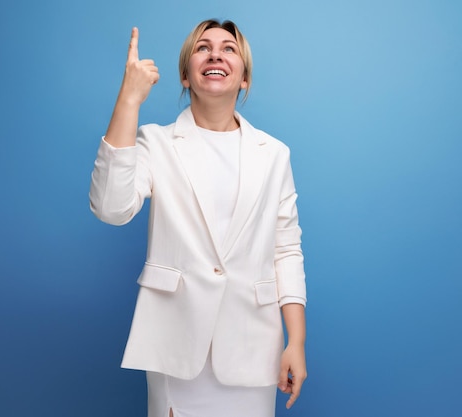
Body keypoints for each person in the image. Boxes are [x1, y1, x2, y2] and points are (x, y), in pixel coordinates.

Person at [89, 19, 307, 417]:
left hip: (251, 343)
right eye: (202, 48)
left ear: (244, 79)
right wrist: (129, 100)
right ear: (186, 76)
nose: (215, 54)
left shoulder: (274, 154)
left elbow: (287, 250)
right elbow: (110, 207)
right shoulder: (156, 142)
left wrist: (296, 341)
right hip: (176, 342)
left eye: (229, 48)